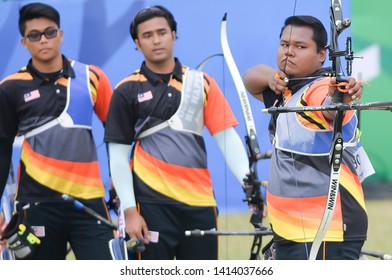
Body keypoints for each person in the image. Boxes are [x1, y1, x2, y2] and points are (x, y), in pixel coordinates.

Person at [104, 5, 251, 260]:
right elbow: (117, 157)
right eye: (147, 35)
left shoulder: (202, 83)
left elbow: (227, 138)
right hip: (149, 206)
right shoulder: (126, 90)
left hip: (200, 204)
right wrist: (129, 211)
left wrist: (249, 185)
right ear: (137, 43)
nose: (156, 40)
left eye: (162, 32)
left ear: (173, 34)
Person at [243, 15, 373, 260]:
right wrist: (272, 76)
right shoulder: (286, 89)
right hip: (293, 230)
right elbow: (251, 78)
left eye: (300, 47)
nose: (289, 53)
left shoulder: (317, 88)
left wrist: (338, 99)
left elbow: (326, 104)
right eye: (284, 45)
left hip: (325, 230)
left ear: (322, 55)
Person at [0, 2, 114, 259]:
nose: (43, 40)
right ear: (24, 42)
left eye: (50, 32)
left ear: (60, 34)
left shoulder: (91, 77)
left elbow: (118, 134)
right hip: (36, 205)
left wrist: (120, 189)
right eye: (34, 35)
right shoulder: (10, 88)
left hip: (89, 203)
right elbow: (2, 150)